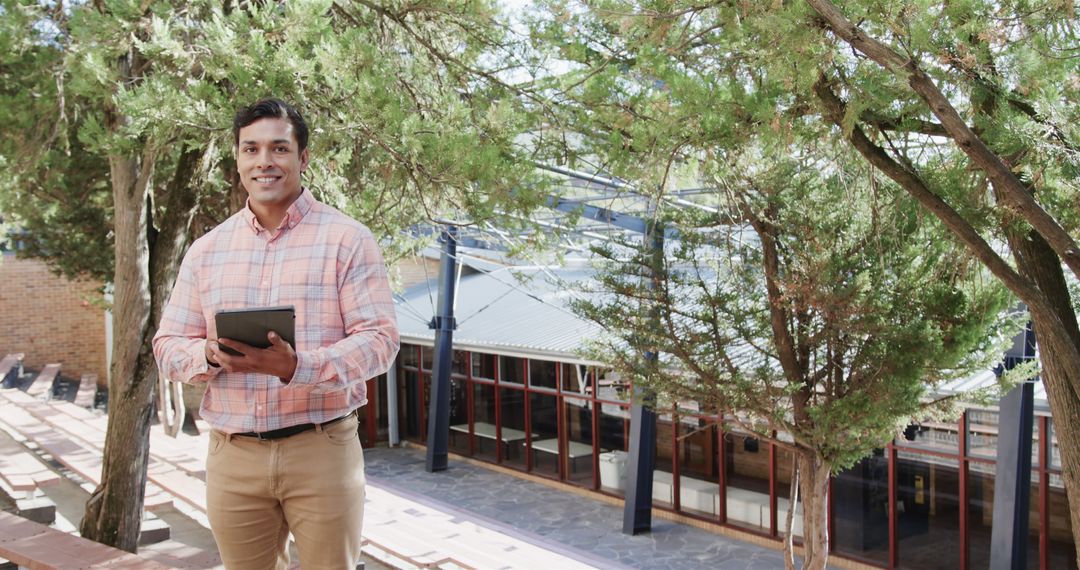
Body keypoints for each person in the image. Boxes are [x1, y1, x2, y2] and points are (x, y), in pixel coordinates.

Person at [153, 98, 399, 570]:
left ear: (303, 158)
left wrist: (297, 367)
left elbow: (380, 339)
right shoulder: (206, 252)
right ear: (238, 159)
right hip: (233, 455)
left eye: (278, 148)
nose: (264, 161)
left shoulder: (347, 240)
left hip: (321, 449)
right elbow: (166, 347)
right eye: (251, 149)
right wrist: (207, 353)